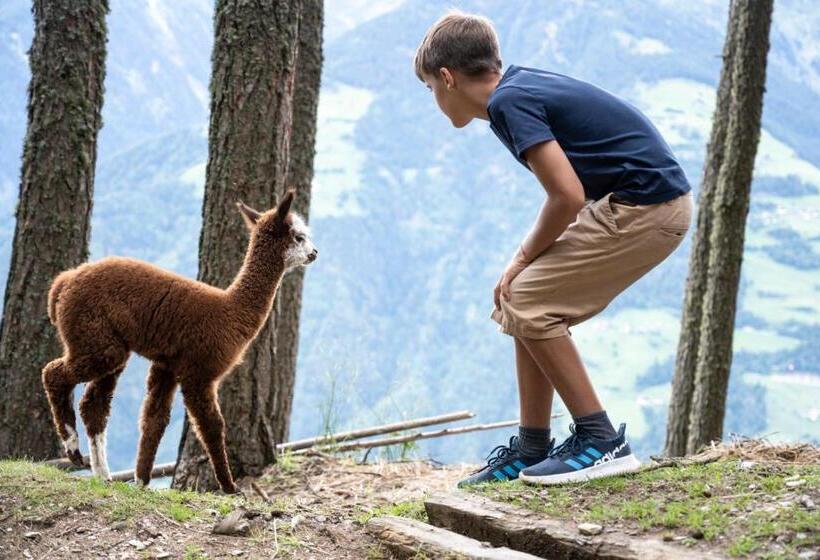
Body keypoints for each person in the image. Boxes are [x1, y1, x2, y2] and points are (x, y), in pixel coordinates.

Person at [413, 11, 693, 486]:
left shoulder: (509, 103)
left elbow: (566, 195)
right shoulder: (516, 90)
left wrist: (521, 257)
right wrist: (522, 265)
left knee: (526, 296)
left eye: (430, 88)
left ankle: (602, 441)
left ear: (448, 77)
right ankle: (532, 446)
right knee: (521, 297)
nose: (435, 98)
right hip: (640, 203)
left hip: (646, 208)